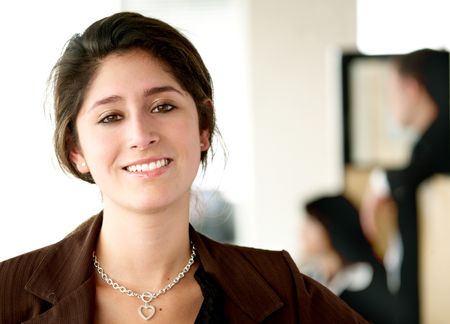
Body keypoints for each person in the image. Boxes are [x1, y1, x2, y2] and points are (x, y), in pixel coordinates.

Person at [0, 12, 368, 323]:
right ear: (76, 149)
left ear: (203, 128)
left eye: (163, 106)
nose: (141, 135)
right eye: (111, 116)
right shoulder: (8, 293)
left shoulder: (281, 288)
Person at [360, 48, 450, 324]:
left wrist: (379, 182)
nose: (388, 103)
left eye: (392, 91)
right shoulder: (423, 149)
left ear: (411, 88)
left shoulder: (437, 147)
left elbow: (416, 172)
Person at [301, 194, 396, 324]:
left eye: (311, 221)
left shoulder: (365, 278)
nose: (302, 230)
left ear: (330, 226)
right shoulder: (306, 280)